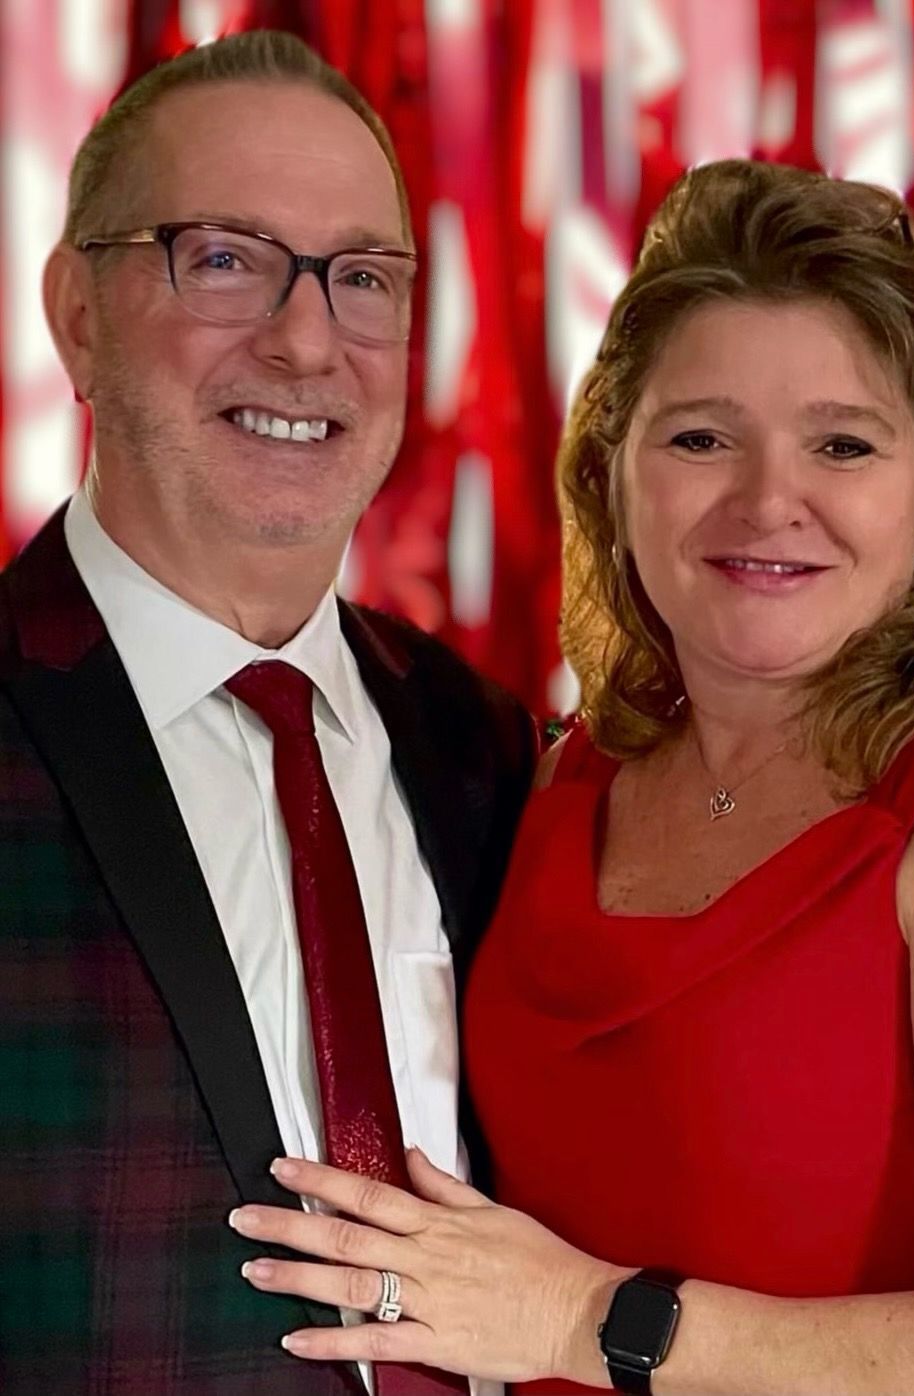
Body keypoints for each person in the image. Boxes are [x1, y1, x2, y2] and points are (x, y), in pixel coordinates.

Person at [231, 160, 914, 1394]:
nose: (770, 500)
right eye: (702, 437)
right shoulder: (555, 773)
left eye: (843, 443)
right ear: (613, 477)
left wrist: (589, 1321)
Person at [0, 30, 534, 1396]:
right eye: (226, 260)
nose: (305, 342)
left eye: (361, 278)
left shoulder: (488, 751)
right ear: (76, 314)